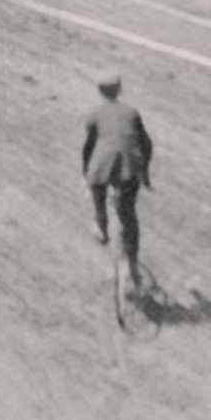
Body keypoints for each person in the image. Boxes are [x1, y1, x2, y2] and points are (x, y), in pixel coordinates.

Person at [82, 72, 153, 288]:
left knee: (97, 190)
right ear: (119, 90)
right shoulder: (132, 112)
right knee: (129, 216)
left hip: (103, 168)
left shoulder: (94, 114)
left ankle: (102, 224)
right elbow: (146, 144)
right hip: (129, 168)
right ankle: (132, 266)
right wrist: (145, 173)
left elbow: (89, 148)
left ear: (99, 91)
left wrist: (86, 172)